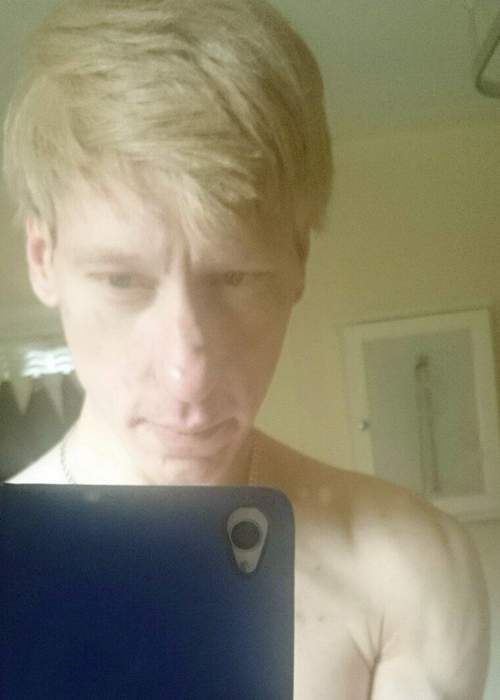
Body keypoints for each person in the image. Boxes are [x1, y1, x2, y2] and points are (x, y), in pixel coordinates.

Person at [3, 0, 489, 696]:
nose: (186, 373)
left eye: (236, 278)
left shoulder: (407, 568)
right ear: (42, 258)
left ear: (298, 263)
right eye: (121, 280)